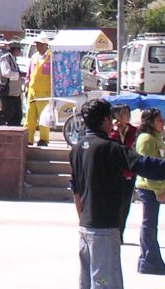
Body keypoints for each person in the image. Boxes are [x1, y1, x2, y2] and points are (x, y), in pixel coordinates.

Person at [70, 98, 165, 289]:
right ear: (106, 120)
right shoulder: (110, 147)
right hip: (104, 227)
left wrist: (83, 219)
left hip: (86, 227)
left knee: (88, 282)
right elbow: (145, 166)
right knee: (106, 283)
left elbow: (75, 189)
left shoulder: (77, 148)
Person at [134, 108, 165, 274]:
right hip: (149, 188)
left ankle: (149, 259)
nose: (162, 123)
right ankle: (149, 260)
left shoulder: (156, 138)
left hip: (156, 187)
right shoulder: (146, 139)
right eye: (159, 120)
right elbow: (147, 167)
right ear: (150, 122)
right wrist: (158, 190)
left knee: (151, 224)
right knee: (149, 224)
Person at [109, 104, 139, 241]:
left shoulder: (134, 131)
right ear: (116, 115)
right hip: (115, 173)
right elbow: (112, 146)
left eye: (128, 112)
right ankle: (113, 231)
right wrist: (116, 132)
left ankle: (120, 232)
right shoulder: (111, 130)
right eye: (124, 112)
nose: (127, 115)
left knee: (125, 204)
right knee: (114, 203)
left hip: (129, 173)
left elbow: (128, 149)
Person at [0, 42, 23, 129]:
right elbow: (6, 73)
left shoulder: (13, 59)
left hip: (15, 93)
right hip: (8, 92)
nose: (20, 51)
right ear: (14, 49)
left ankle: (14, 132)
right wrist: (20, 75)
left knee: (17, 116)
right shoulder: (5, 59)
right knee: (6, 114)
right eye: (19, 49)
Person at [26, 34, 53, 147]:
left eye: (41, 44)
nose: (38, 47)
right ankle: (28, 138)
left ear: (46, 45)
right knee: (29, 116)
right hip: (32, 91)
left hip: (45, 92)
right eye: (37, 44)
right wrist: (27, 83)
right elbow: (29, 72)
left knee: (44, 117)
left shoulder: (52, 57)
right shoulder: (34, 57)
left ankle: (44, 139)